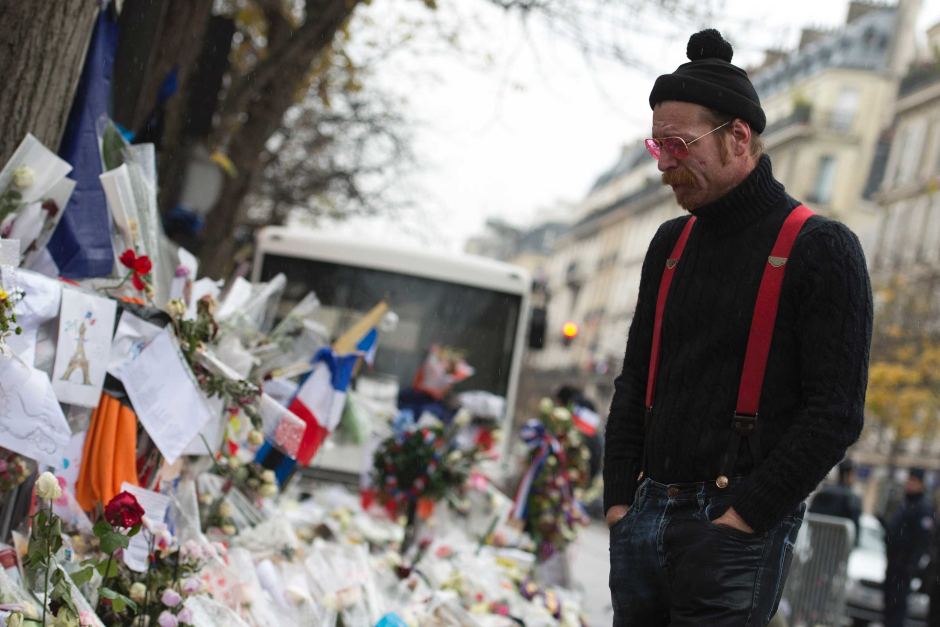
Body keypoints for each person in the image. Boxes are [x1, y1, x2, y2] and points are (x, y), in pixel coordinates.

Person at [603, 28, 873, 626]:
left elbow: (835, 413)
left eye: (679, 144)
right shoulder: (670, 243)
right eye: (657, 147)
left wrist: (741, 519)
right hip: (644, 516)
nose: (666, 165)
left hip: (731, 529)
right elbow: (635, 381)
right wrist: (620, 502)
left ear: (738, 138)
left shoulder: (821, 248)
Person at [884, 468, 934, 627]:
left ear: (921, 484)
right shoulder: (905, 504)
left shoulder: (922, 507)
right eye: (909, 480)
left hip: (904, 566)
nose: (909, 484)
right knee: (890, 605)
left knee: (897, 607)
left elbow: (922, 540)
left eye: (913, 481)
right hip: (894, 563)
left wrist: (911, 565)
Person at [808, 459, 863, 545]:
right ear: (847, 475)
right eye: (853, 474)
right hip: (839, 549)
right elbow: (855, 527)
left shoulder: (823, 492)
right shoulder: (852, 498)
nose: (855, 478)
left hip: (817, 545)